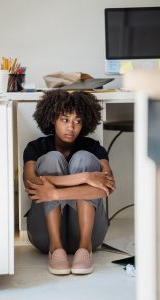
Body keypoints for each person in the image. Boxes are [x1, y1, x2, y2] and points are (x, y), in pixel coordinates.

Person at [23, 89, 115, 276]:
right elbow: (31, 184)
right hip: (44, 236)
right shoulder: (36, 147)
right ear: (52, 119)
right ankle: (56, 249)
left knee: (84, 158)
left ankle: (84, 249)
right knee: (52, 159)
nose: (71, 127)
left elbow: (106, 188)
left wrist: (55, 193)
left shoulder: (94, 148)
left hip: (90, 235)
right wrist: (85, 178)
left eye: (77, 121)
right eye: (65, 120)